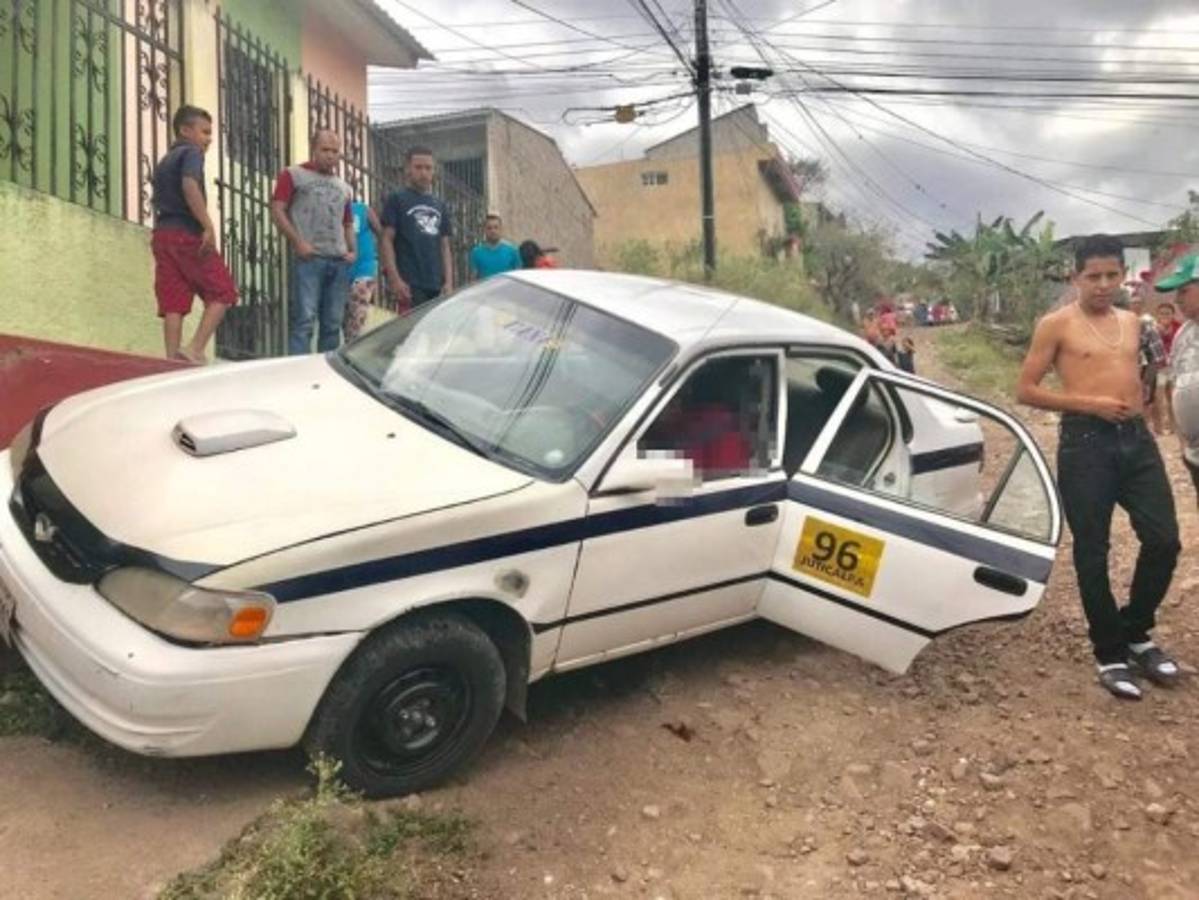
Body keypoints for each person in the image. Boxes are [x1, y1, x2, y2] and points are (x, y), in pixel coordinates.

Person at [1016, 234, 1181, 699]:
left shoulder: (1132, 322)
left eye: (1112, 275)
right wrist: (1089, 404)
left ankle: (1135, 630)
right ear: (1076, 278)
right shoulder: (1055, 324)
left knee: (1165, 539)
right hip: (1085, 444)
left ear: (1122, 276)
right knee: (1092, 549)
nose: (1104, 284)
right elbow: (1026, 389)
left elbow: (1143, 373)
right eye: (1094, 276)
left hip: (1136, 440)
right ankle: (1109, 651)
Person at [150, 105, 238, 363]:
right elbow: (189, 185)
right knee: (223, 291)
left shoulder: (165, 160)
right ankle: (195, 348)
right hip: (187, 234)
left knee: (173, 302)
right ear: (185, 130)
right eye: (205, 132)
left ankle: (171, 360)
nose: (209, 139)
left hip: (162, 235)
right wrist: (208, 225)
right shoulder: (192, 153)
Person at [272, 130, 356, 355]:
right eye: (325, 150)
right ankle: (297, 372)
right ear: (314, 149)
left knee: (332, 324)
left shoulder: (344, 187)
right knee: (305, 320)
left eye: (335, 151)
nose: (330, 155)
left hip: (338, 262)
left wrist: (352, 250)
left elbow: (348, 223)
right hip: (310, 259)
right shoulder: (293, 174)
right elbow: (278, 209)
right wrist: (297, 242)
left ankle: (323, 374)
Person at [381, 146, 454, 311]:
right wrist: (395, 279)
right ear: (408, 169)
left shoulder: (440, 205)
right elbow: (386, 240)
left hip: (436, 284)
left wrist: (449, 282)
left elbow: (445, 246)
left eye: (428, 168)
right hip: (410, 284)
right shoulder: (397, 199)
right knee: (411, 334)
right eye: (418, 167)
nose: (424, 173)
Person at [1158, 254, 1199, 506]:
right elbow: (1175, 382)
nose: (1176, 300)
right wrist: (1182, 440)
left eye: (1184, 291)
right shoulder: (1183, 332)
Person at [343, 198, 382, 343]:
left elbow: (381, 233)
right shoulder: (331, 210)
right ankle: (348, 349)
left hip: (364, 270)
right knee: (343, 318)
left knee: (358, 316)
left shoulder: (362, 209)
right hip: (340, 271)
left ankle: (353, 350)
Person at [1153, 300, 1181, 435]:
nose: (1165, 315)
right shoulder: (1152, 327)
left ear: (1173, 314)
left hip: (1173, 367)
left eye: (1168, 313)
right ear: (1157, 315)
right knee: (1158, 398)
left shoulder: (1179, 327)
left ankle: (1174, 427)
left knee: (1173, 397)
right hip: (1158, 368)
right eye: (1162, 313)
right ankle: (1159, 428)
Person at [469, 214, 521, 281]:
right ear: (484, 230)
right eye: (489, 228)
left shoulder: (513, 251)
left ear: (501, 229)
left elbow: (518, 278)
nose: (493, 231)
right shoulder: (476, 253)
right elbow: (473, 280)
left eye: (496, 227)